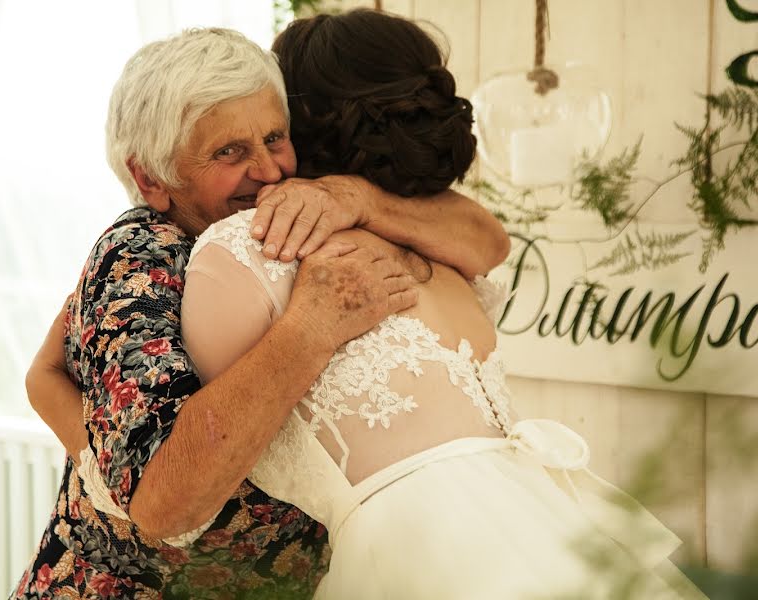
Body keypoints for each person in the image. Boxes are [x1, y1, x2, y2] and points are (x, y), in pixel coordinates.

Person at [176, 10, 710, 599]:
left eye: (275, 127)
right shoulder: (445, 252)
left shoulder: (256, 245)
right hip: (535, 517)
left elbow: (194, 477)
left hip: (429, 539)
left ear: (299, 117)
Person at [13, 25, 509, 599]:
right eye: (229, 152)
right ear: (150, 178)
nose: (270, 170)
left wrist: (360, 197)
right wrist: (311, 328)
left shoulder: (299, 207)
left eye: (275, 137)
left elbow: (486, 239)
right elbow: (163, 501)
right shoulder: (139, 254)